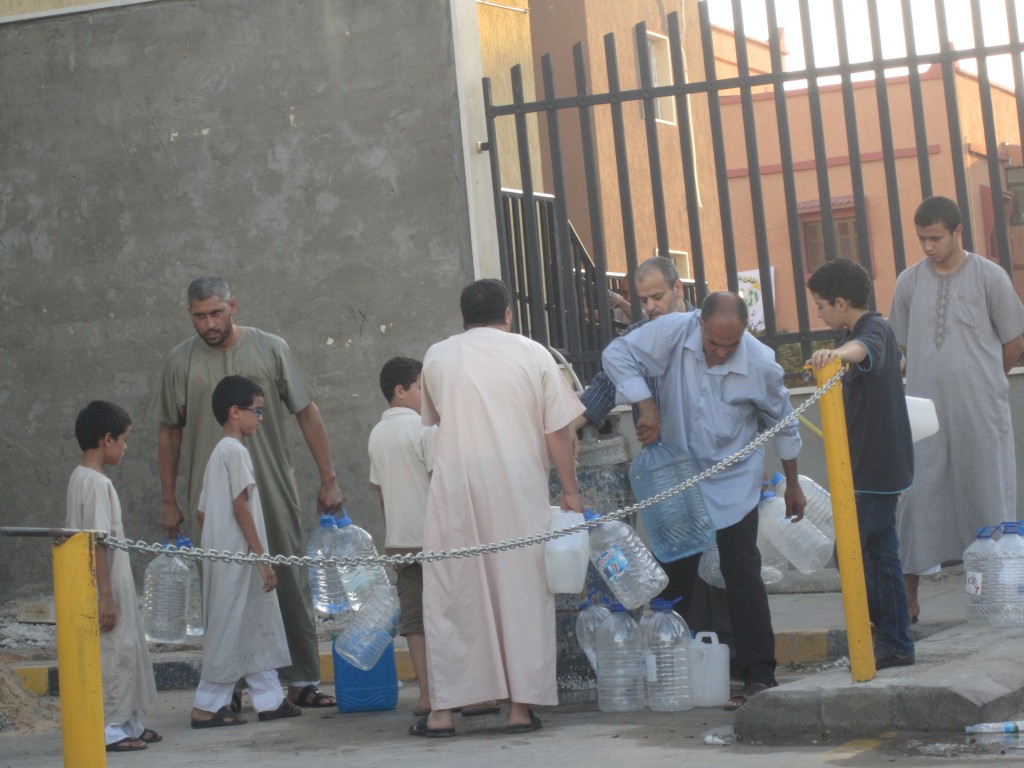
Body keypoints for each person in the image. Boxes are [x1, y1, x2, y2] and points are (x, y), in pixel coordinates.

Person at [603, 291, 806, 710]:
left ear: (744, 336)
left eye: (729, 346)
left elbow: (783, 423)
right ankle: (669, 672)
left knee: (740, 570)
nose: (718, 353)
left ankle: (758, 674)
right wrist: (645, 403)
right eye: (713, 343)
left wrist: (793, 483)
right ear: (700, 324)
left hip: (733, 480)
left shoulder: (761, 364)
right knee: (673, 573)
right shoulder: (674, 332)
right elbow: (617, 353)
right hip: (678, 476)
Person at [157, 276, 344, 709]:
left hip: (272, 485)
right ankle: (235, 685)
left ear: (233, 306)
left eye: (216, 313)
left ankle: (300, 678)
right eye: (199, 316)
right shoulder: (179, 361)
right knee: (224, 582)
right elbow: (169, 431)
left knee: (284, 572)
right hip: (216, 499)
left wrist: (328, 476)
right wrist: (170, 499)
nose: (209, 323)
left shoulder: (271, 347)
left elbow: (306, 411)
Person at [410, 279, 585, 737]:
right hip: (518, 489)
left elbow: (436, 421)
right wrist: (570, 491)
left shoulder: (438, 355)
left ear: (463, 316)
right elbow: (558, 433)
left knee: (454, 594)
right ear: (507, 313)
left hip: (457, 489)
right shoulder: (533, 353)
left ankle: (443, 713)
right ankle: (519, 710)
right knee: (522, 594)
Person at [888, 196, 1024, 622]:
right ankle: (908, 602)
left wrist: (986, 377)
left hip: (980, 409)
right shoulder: (909, 282)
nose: (928, 246)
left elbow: (1014, 339)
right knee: (917, 497)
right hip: (926, 415)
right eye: (922, 239)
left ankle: (995, 597)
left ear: (957, 232)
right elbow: (904, 344)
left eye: (936, 238)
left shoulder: (990, 276)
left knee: (987, 491)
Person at [807, 259, 916, 669]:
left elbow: (862, 351)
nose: (819, 313)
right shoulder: (864, 331)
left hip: (877, 469)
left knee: (859, 553)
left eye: (820, 305)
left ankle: (892, 639)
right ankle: (893, 640)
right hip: (866, 468)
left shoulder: (874, 329)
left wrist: (836, 353)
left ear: (840, 301)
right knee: (878, 553)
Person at [191, 376, 301, 727]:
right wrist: (261, 557)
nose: (260, 418)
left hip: (227, 557)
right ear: (234, 412)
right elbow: (241, 506)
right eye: (257, 411)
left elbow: (204, 512)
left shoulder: (218, 453)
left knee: (253, 623)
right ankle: (206, 707)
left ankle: (269, 699)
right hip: (240, 558)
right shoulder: (235, 451)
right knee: (229, 628)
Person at [65, 401, 159, 753]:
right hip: (107, 584)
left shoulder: (84, 478)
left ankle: (129, 720)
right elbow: (97, 543)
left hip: (111, 581)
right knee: (115, 652)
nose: (125, 447)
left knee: (127, 647)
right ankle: (110, 728)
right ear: (107, 439)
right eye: (124, 439)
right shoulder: (95, 484)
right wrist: (106, 595)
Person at [368, 356, 436, 718]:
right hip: (438, 540)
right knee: (449, 613)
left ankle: (426, 696)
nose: (426, 395)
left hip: (402, 543)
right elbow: (439, 482)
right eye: (420, 387)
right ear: (400, 391)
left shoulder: (377, 434)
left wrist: (393, 534)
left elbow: (380, 492)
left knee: (414, 620)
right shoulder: (424, 427)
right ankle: (466, 695)